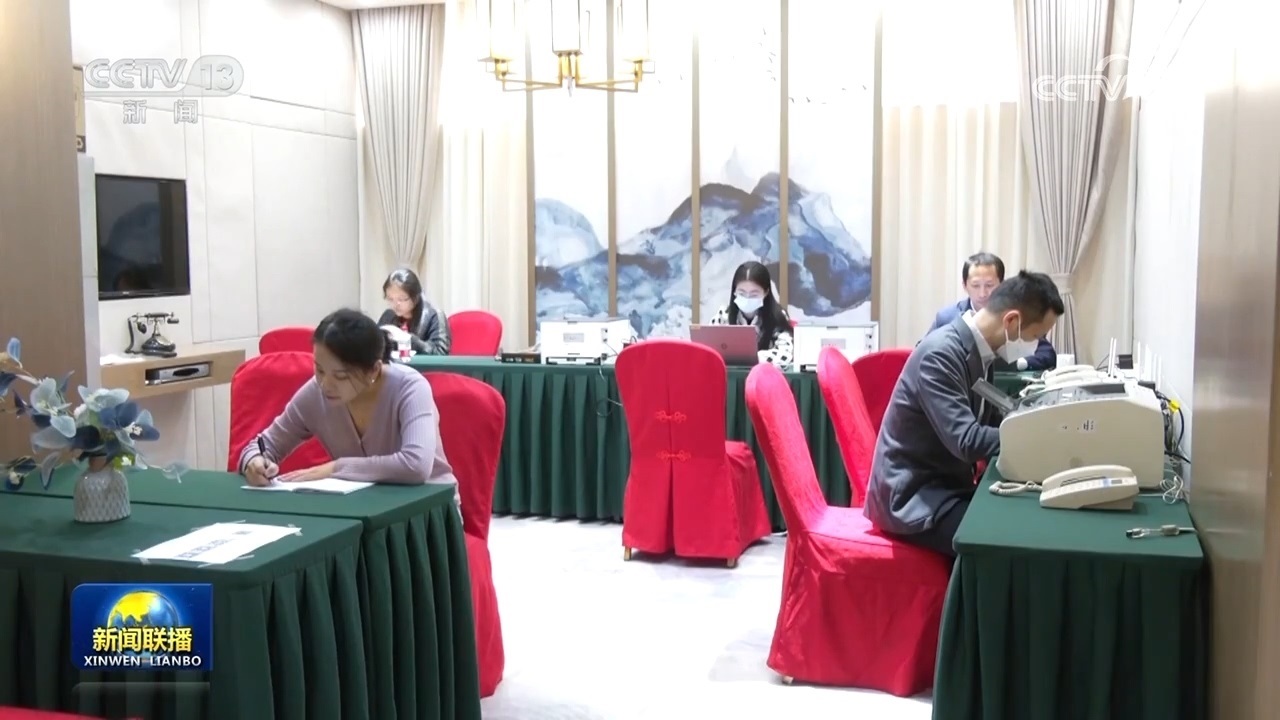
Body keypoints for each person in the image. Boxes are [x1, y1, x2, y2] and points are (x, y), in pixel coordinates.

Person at [865, 271, 1064, 556]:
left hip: (948, 484)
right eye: (1036, 336)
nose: (1036, 344)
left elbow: (995, 420)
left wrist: (1037, 426)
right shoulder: (940, 354)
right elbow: (967, 440)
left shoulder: (983, 350)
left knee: (1028, 515)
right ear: (1011, 321)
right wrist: (1036, 437)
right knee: (1014, 540)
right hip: (916, 498)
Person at [239, 308, 458, 496]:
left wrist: (336, 468)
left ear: (374, 369)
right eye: (319, 370)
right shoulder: (316, 393)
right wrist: (254, 462)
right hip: (363, 508)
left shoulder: (409, 388)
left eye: (341, 376)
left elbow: (416, 465)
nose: (325, 384)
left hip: (427, 512)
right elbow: (263, 445)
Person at [926, 252, 1057, 371]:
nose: (982, 293)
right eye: (975, 285)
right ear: (964, 285)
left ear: (1002, 285)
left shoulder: (1015, 315)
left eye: (989, 285)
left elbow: (1046, 353)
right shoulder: (946, 319)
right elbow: (924, 351)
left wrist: (1015, 363)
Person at [709, 260, 794, 368]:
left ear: (766, 292)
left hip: (763, 376)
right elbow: (709, 349)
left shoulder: (776, 316)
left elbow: (785, 354)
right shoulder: (724, 314)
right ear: (734, 292)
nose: (747, 298)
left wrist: (752, 358)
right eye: (742, 293)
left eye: (754, 295)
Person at [377, 268, 452, 356]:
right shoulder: (388, 315)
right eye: (390, 299)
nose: (395, 304)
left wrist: (408, 339)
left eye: (401, 299)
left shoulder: (434, 316)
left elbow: (440, 352)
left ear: (415, 297)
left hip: (422, 365)